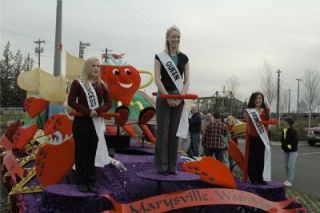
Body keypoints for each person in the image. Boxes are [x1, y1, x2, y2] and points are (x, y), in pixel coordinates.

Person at [68, 57, 112, 192]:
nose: (96, 68)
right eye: (93, 66)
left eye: (98, 66)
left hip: (96, 123)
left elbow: (109, 103)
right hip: (81, 122)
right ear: (87, 67)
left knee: (92, 153)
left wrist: (98, 111)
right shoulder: (78, 83)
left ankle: (91, 182)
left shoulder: (102, 85)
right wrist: (87, 111)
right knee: (81, 152)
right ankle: (81, 182)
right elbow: (71, 102)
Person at [154, 25, 190, 175]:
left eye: (178, 37)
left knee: (174, 133)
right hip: (164, 98)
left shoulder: (184, 58)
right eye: (173, 36)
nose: (175, 39)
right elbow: (157, 78)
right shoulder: (159, 56)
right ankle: (162, 166)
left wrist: (180, 97)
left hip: (179, 99)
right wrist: (166, 96)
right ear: (167, 38)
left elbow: (186, 80)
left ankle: (172, 166)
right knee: (163, 132)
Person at [244, 92, 270, 185]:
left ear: (262, 100)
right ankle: (253, 178)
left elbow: (267, 124)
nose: (258, 100)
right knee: (252, 158)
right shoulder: (249, 111)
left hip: (263, 137)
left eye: (260, 98)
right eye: (256, 98)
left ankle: (261, 178)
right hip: (252, 137)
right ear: (253, 100)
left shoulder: (266, 110)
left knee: (261, 158)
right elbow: (248, 124)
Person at [280, 116, 299, 187]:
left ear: (288, 122)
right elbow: (282, 140)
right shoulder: (284, 130)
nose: (283, 122)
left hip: (293, 152)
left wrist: (288, 146)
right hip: (286, 151)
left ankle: (290, 181)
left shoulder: (294, 131)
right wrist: (284, 146)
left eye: (284, 121)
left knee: (290, 166)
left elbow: (295, 142)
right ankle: (287, 179)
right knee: (286, 166)